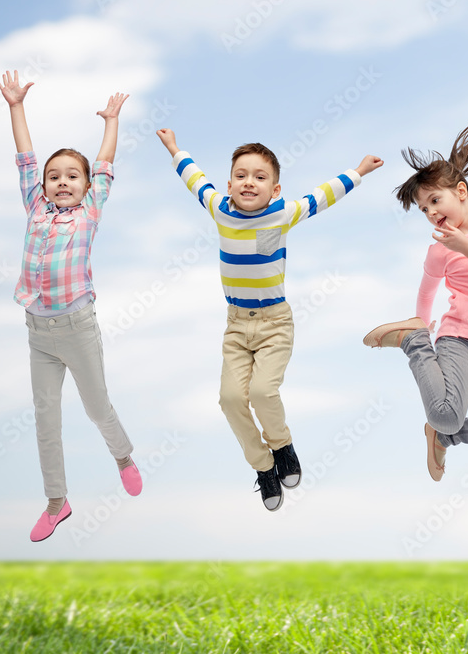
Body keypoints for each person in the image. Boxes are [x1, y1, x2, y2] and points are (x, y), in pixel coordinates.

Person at [156, 127, 382, 511]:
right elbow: (195, 179)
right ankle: (263, 467)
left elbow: (322, 196)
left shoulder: (283, 213)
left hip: (275, 323)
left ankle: (282, 446)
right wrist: (175, 149)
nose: (249, 183)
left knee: (262, 392)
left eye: (260, 178)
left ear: (275, 189)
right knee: (230, 399)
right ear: (229, 185)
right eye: (241, 176)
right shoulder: (219, 208)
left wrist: (359, 170)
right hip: (236, 326)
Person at [0, 70, 140, 542]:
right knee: (46, 419)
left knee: (97, 408)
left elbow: (104, 162)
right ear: (42, 186)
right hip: (37, 331)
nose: (62, 182)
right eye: (53, 177)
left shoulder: (91, 210)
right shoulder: (35, 207)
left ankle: (122, 456)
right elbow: (24, 157)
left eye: (71, 177)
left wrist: (111, 121)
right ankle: (57, 502)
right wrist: (16, 106)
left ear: (85, 186)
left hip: (77, 327)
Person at [363, 121, 468, 481]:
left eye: (434, 201)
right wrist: (420, 324)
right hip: (458, 341)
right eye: (423, 209)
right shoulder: (439, 251)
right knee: (444, 411)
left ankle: (445, 437)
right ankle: (414, 344)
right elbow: (427, 290)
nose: (430, 212)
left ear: (461, 192)